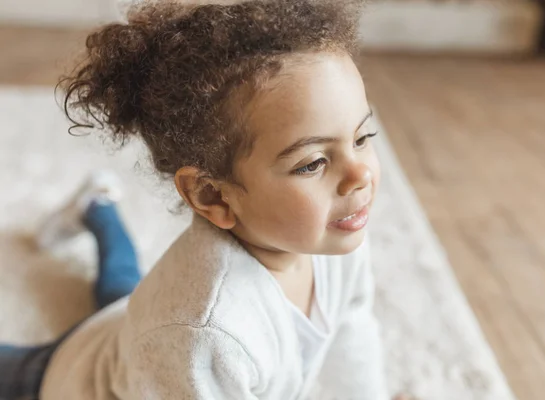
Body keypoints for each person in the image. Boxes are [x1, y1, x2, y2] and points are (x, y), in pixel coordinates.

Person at [0, 0, 406, 398]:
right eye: (313, 163)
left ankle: (97, 205)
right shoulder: (206, 332)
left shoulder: (336, 231)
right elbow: (189, 336)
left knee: (122, 283)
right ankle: (98, 209)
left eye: (361, 138)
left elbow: (351, 326)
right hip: (81, 376)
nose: (359, 176)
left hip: (139, 326)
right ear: (213, 195)